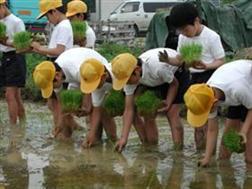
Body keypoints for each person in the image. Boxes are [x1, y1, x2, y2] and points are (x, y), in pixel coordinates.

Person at [160, 2, 225, 150]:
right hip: (193, 79)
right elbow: (179, 59)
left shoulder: (211, 37)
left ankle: (209, 153)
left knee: (208, 120)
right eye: (180, 30)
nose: (183, 33)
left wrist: (207, 65)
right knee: (196, 122)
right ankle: (199, 152)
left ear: (196, 21)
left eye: (185, 29)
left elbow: (221, 61)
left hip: (210, 78)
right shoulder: (183, 38)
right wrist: (168, 60)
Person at [112, 48, 190, 152]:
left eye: (127, 80)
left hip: (176, 74)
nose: (127, 83)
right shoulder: (129, 78)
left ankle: (178, 151)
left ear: (137, 70)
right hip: (154, 79)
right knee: (147, 111)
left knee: (171, 112)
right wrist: (123, 138)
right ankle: (151, 149)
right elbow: (128, 109)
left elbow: (174, 84)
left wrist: (168, 102)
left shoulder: (158, 68)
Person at [33, 47, 115, 140]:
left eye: (51, 86)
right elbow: (61, 103)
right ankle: (68, 137)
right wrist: (60, 122)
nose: (52, 89)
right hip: (77, 77)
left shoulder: (76, 69)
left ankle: (103, 138)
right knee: (69, 108)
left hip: (94, 71)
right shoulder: (55, 73)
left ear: (57, 75)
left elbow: (88, 105)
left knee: (97, 108)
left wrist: (86, 108)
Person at [184, 59, 252, 167]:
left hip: (247, 84)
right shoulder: (206, 94)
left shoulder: (238, 89)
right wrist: (207, 157)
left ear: (215, 103)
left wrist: (243, 132)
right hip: (235, 90)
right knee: (223, 155)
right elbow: (212, 130)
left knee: (249, 158)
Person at [31, 0, 73, 130]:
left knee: (58, 104)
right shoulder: (59, 26)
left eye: (47, 16)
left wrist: (40, 48)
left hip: (59, 68)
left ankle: (61, 132)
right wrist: (39, 49)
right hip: (54, 65)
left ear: (54, 11)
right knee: (53, 103)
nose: (47, 20)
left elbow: (59, 50)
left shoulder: (64, 27)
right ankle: (63, 128)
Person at [0, 0, 26, 125]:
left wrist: (6, 42)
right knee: (16, 96)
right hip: (5, 57)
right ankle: (22, 124)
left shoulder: (16, 21)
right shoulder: (0, 22)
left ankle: (13, 128)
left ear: (3, 6)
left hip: (16, 57)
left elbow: (23, 45)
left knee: (9, 95)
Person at [80, 59, 117, 147]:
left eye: (95, 84)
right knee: (103, 109)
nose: (94, 87)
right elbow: (97, 109)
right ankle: (112, 140)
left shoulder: (118, 73)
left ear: (103, 76)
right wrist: (91, 134)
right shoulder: (98, 86)